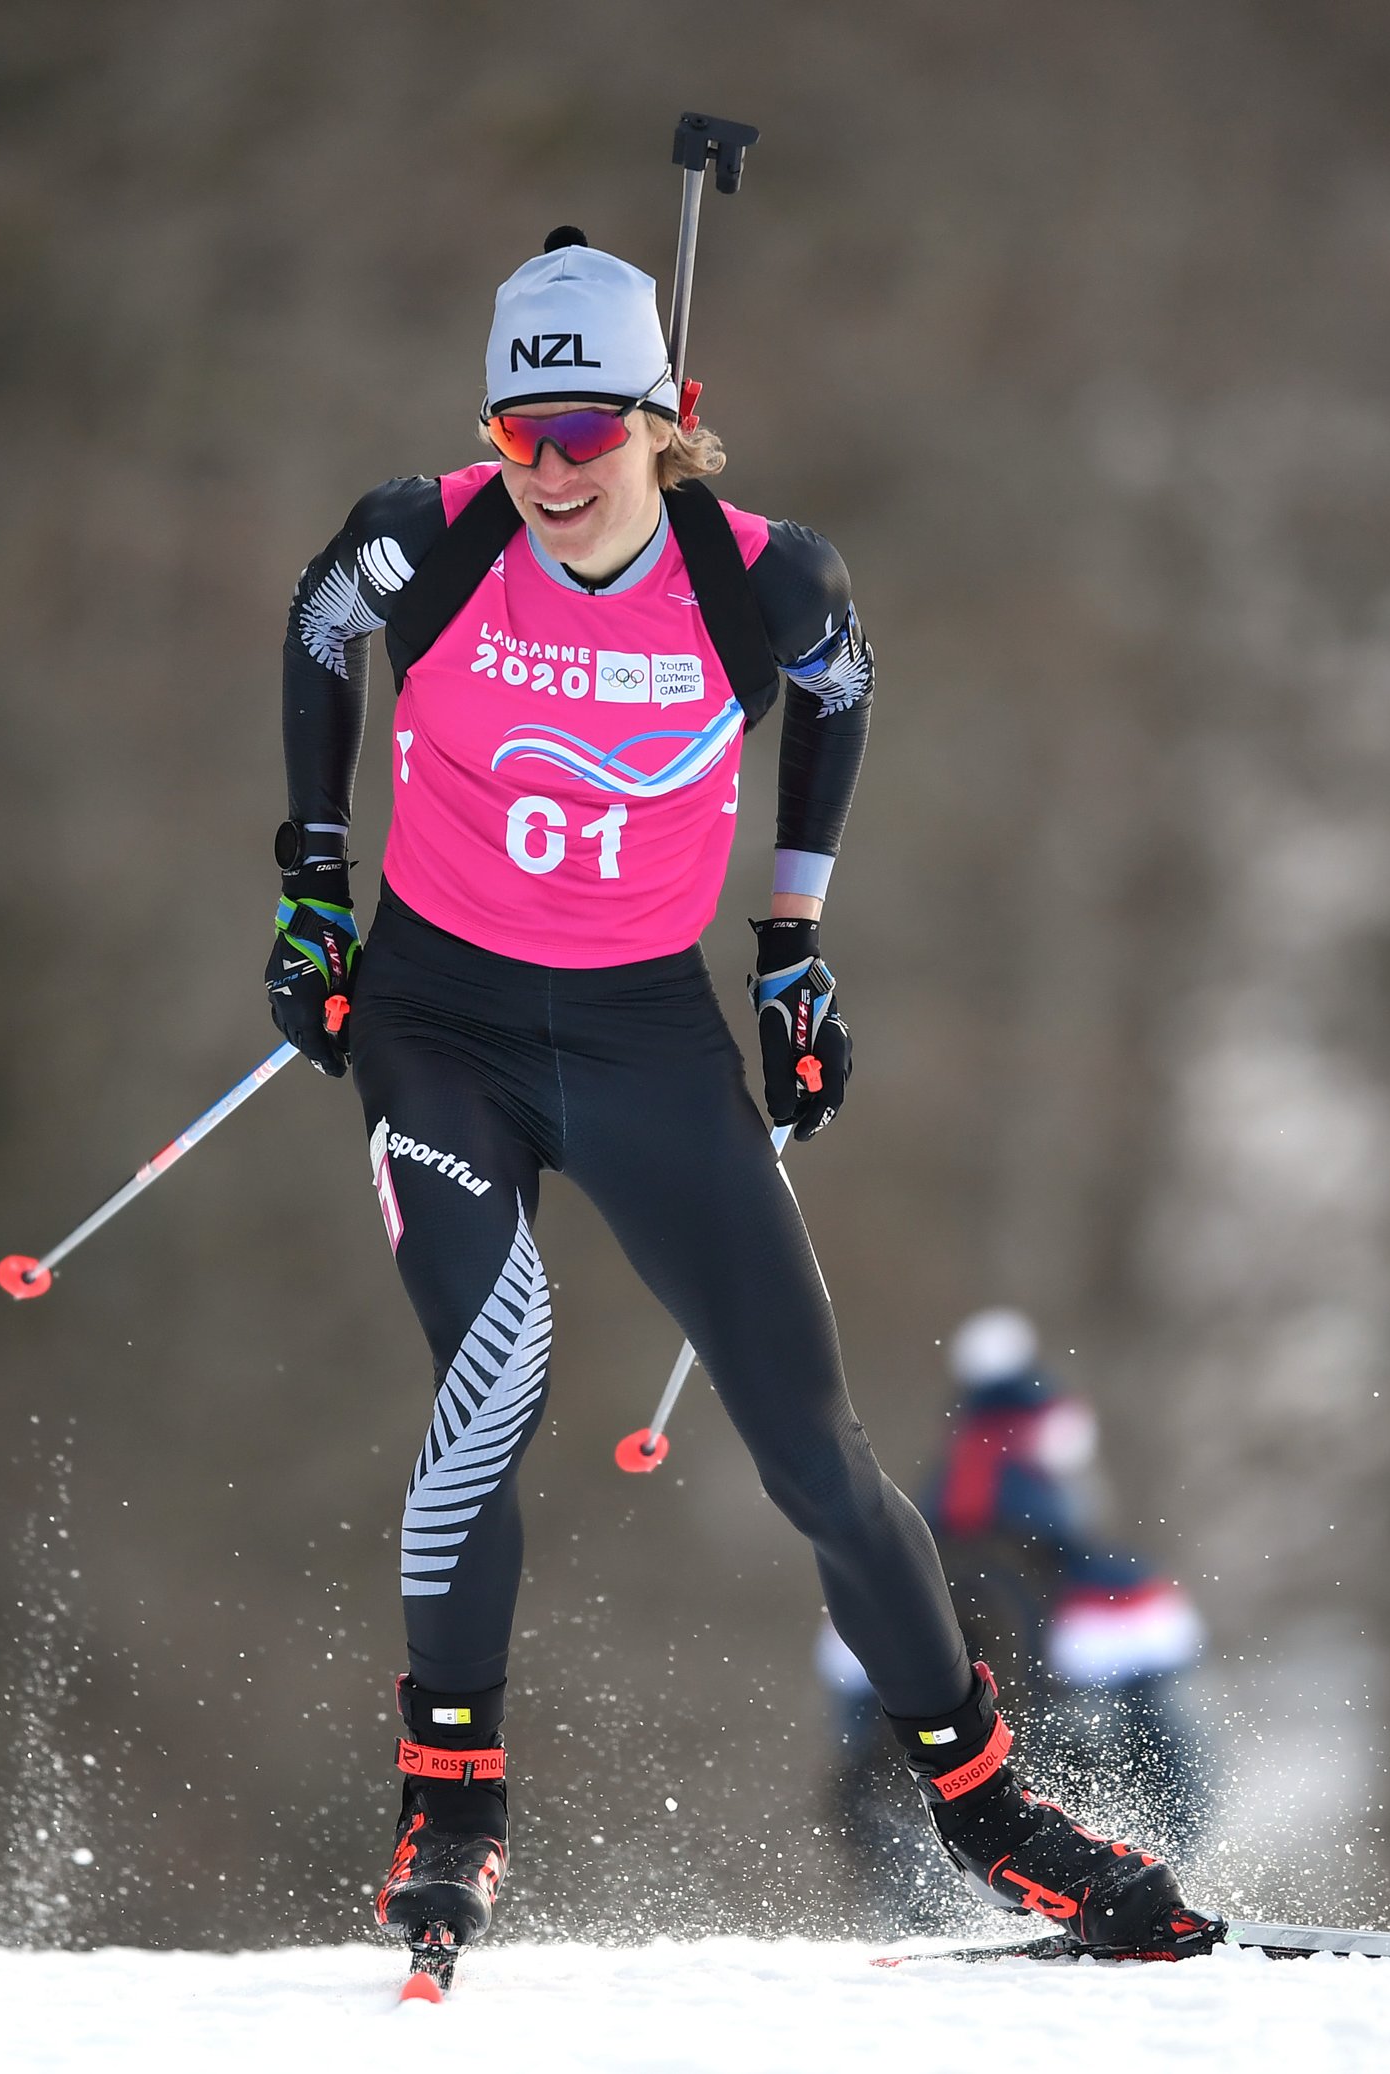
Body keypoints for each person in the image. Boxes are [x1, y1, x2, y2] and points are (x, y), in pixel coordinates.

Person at [265, 229, 1209, 1962]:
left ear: (662, 417)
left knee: (817, 1452)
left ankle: (987, 1804)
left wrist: (790, 941)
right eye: (517, 431)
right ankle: (453, 1793)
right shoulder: (428, 535)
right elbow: (321, 629)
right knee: (500, 1356)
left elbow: (842, 701)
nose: (548, 469)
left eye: (586, 433)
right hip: (438, 1024)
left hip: (643, 1037)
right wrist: (313, 877)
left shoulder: (764, 582)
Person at [817, 1308, 1212, 1928]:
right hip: (1058, 1815)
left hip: (928, 1821)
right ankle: (1139, 1903)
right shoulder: (1096, 1582)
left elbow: (852, 1722)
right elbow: (1164, 1743)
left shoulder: (901, 1567)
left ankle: (925, 1921)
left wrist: (868, 1852)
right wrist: (1179, 1857)